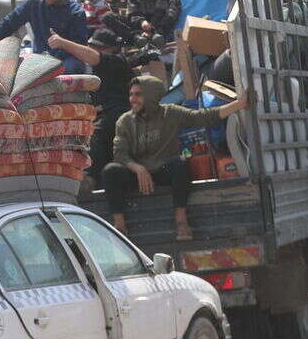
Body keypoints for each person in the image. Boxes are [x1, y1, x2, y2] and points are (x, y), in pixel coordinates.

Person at [102, 75, 250, 240]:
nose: (132, 99)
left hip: (163, 172)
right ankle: (120, 226)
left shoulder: (170, 113)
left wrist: (239, 104)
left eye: (138, 94)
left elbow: (203, 116)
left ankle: (181, 220)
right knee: (110, 171)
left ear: (151, 95)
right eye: (131, 95)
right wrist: (138, 168)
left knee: (180, 163)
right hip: (138, 176)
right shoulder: (125, 121)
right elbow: (119, 153)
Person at [46, 28, 132, 178]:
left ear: (112, 48)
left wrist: (62, 43)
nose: (93, 50)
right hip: (102, 116)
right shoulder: (94, 73)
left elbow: (94, 57)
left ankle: (91, 178)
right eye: (92, 46)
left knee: (94, 135)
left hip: (119, 115)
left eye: (99, 47)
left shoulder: (117, 61)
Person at [0, 0, 89, 73]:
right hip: (41, 59)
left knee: (70, 68)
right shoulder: (33, 4)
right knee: (13, 72)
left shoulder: (76, 12)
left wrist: (62, 43)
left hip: (67, 59)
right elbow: (9, 23)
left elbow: (80, 47)